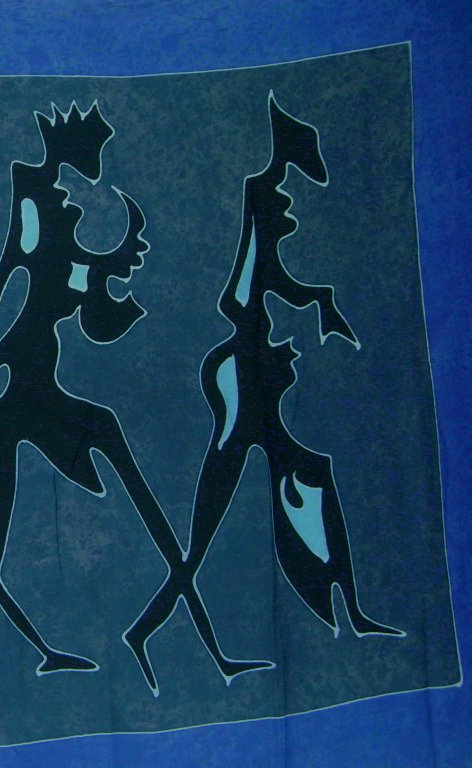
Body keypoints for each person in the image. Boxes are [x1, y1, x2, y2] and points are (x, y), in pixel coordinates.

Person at [123, 93, 403, 695]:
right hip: (239, 380)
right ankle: (144, 632)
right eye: (283, 212)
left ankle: (349, 609)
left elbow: (279, 281)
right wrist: (274, 180)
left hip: (252, 380)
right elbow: (239, 293)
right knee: (204, 534)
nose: (291, 216)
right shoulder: (258, 219)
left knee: (310, 473)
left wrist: (317, 299)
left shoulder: (268, 247)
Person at [0, 103, 184, 691]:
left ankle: (172, 587)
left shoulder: (53, 219)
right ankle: (175, 582)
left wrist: (109, 277)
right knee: (2, 527)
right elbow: (41, 274)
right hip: (21, 388)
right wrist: (107, 271)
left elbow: (87, 311)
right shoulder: (39, 205)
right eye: (91, 150)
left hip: (29, 386)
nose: (95, 163)